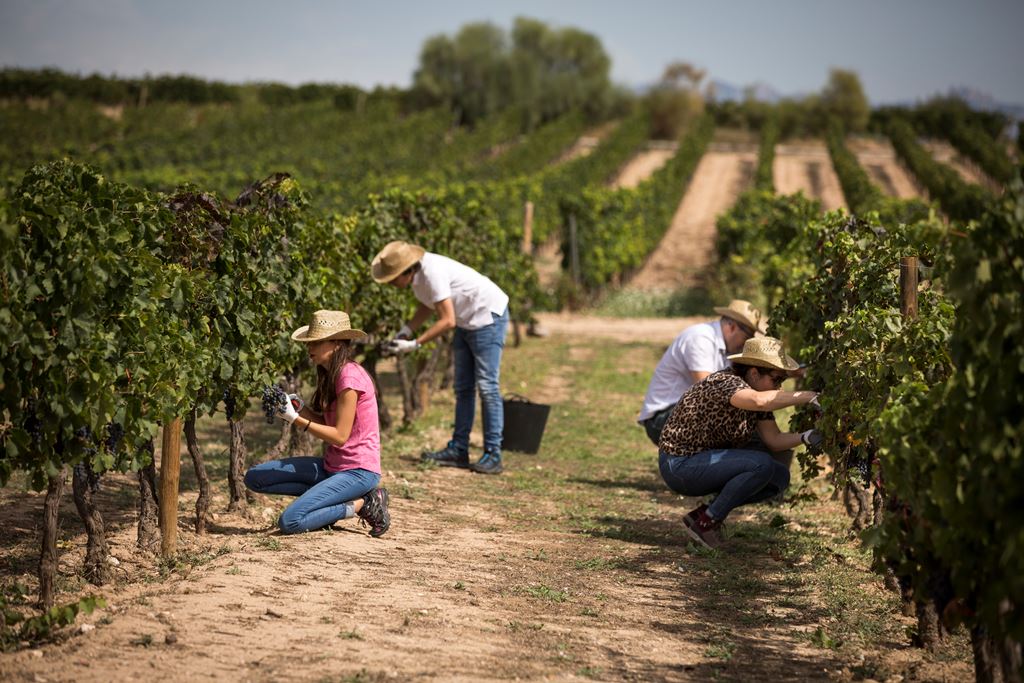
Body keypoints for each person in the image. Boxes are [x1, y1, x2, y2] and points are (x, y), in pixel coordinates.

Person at [657, 336, 822, 548]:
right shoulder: (725, 383)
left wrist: (805, 437)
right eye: (776, 379)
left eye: (782, 380)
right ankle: (707, 524)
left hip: (704, 463)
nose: (779, 387)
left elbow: (774, 440)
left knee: (779, 477)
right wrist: (808, 396)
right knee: (760, 464)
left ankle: (702, 515)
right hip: (679, 465)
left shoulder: (759, 395)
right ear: (754, 373)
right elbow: (759, 402)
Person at [244, 310, 391, 537]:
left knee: (290, 521)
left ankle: (363, 504)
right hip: (331, 467)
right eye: (309, 342)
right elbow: (327, 422)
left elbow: (340, 435)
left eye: (317, 342)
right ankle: (323, 503)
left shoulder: (349, 377)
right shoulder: (329, 374)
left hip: (358, 472)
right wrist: (299, 409)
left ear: (337, 343)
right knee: (255, 478)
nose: (309, 348)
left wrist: (297, 420)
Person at [372, 240, 510, 475]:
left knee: (487, 387)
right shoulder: (418, 277)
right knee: (463, 388)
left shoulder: (432, 272)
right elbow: (429, 305)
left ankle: (493, 454)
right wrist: (406, 330)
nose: (392, 283)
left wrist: (414, 344)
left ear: (407, 270)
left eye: (393, 278)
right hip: (467, 321)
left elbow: (447, 320)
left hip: (487, 317)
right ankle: (459, 449)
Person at [638, 300, 766, 446]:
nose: (747, 343)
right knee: (741, 435)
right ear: (732, 327)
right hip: (663, 416)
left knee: (750, 433)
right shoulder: (700, 338)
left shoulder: (727, 349)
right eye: (748, 336)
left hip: (685, 411)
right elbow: (710, 392)